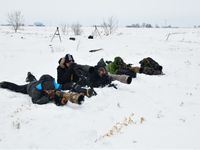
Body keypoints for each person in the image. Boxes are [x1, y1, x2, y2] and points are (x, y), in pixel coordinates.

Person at [0, 72, 84, 106]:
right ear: (43, 89)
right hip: (29, 87)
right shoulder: (36, 91)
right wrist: (48, 97)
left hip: (37, 82)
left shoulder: (52, 85)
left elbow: (63, 86)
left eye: (52, 89)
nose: (51, 91)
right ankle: (3, 84)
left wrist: (74, 86)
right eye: (49, 91)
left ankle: (30, 75)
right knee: (18, 88)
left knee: (33, 79)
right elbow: (35, 101)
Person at [57, 54, 132, 90]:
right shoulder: (60, 69)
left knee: (106, 75)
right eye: (69, 63)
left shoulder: (74, 66)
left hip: (85, 77)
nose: (70, 64)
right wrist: (70, 69)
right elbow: (61, 81)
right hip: (77, 83)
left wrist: (95, 70)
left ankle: (124, 79)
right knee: (97, 80)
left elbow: (83, 69)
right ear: (64, 63)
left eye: (72, 62)